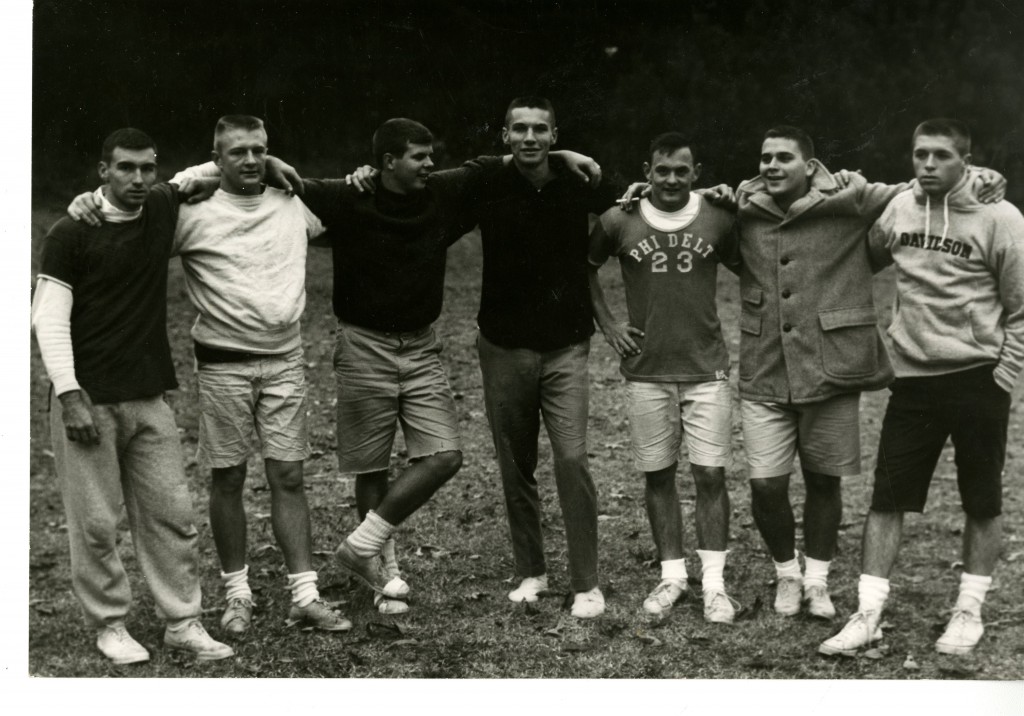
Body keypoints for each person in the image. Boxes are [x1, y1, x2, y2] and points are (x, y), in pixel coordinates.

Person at [295, 118, 601, 615]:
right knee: (372, 465)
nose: (430, 163)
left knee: (445, 455)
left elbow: (499, 164)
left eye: (430, 155)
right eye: (418, 156)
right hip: (362, 345)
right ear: (387, 162)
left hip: (420, 346)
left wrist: (564, 156)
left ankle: (360, 544)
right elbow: (278, 179)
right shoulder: (348, 195)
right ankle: (382, 575)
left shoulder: (439, 192)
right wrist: (194, 179)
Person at [69, 116, 352, 635]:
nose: (250, 161)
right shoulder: (191, 214)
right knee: (229, 477)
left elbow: (350, 216)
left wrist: (308, 175)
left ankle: (304, 594)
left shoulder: (292, 202)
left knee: (288, 475)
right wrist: (87, 199)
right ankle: (237, 593)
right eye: (237, 152)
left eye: (259, 151)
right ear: (216, 159)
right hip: (222, 365)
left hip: (285, 359)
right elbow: (131, 209)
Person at [732, 126, 1005, 621]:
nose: (771, 166)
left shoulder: (853, 195)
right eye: (765, 157)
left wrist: (977, 175)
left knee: (824, 480)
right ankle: (786, 574)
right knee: (766, 486)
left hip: (832, 365)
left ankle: (816, 582)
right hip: (765, 365)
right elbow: (683, 201)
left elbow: (917, 187)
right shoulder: (742, 201)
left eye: (784, 158)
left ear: (809, 164)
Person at [820, 119, 1023, 656]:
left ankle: (968, 611)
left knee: (980, 501)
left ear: (967, 160)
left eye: (940, 155)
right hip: (912, 380)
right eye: (919, 155)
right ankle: (867, 612)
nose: (928, 164)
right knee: (888, 498)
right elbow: (868, 254)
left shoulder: (1000, 217)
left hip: (978, 378)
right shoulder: (899, 208)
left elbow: (1022, 308)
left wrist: (1004, 376)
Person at [32, 128, 234, 664]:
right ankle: (110, 624)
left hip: (148, 395)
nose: (140, 179)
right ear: (103, 171)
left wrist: (276, 166)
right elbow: (48, 320)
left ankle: (182, 621)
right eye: (126, 168)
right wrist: (70, 395)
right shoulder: (70, 233)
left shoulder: (160, 204)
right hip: (88, 399)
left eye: (148, 167)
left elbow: (214, 170)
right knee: (96, 521)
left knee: (172, 514)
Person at [464, 96, 619, 618]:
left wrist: (573, 158)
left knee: (572, 459)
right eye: (519, 130)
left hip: (566, 348)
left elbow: (650, 196)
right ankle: (531, 570)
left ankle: (586, 583)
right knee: (516, 464)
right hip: (504, 347)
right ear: (505, 135)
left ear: (555, 135)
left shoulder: (579, 182)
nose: (530, 138)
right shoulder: (487, 182)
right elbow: (433, 182)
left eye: (540, 130)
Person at [588, 133, 741, 623]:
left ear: (696, 172)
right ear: (647, 171)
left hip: (705, 368)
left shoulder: (718, 216)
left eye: (681, 171)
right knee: (658, 474)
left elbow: (754, 266)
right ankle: (672, 575)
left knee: (711, 474)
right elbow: (584, 268)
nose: (671, 180)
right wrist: (608, 323)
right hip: (647, 370)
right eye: (662, 171)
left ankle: (715, 584)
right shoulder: (620, 219)